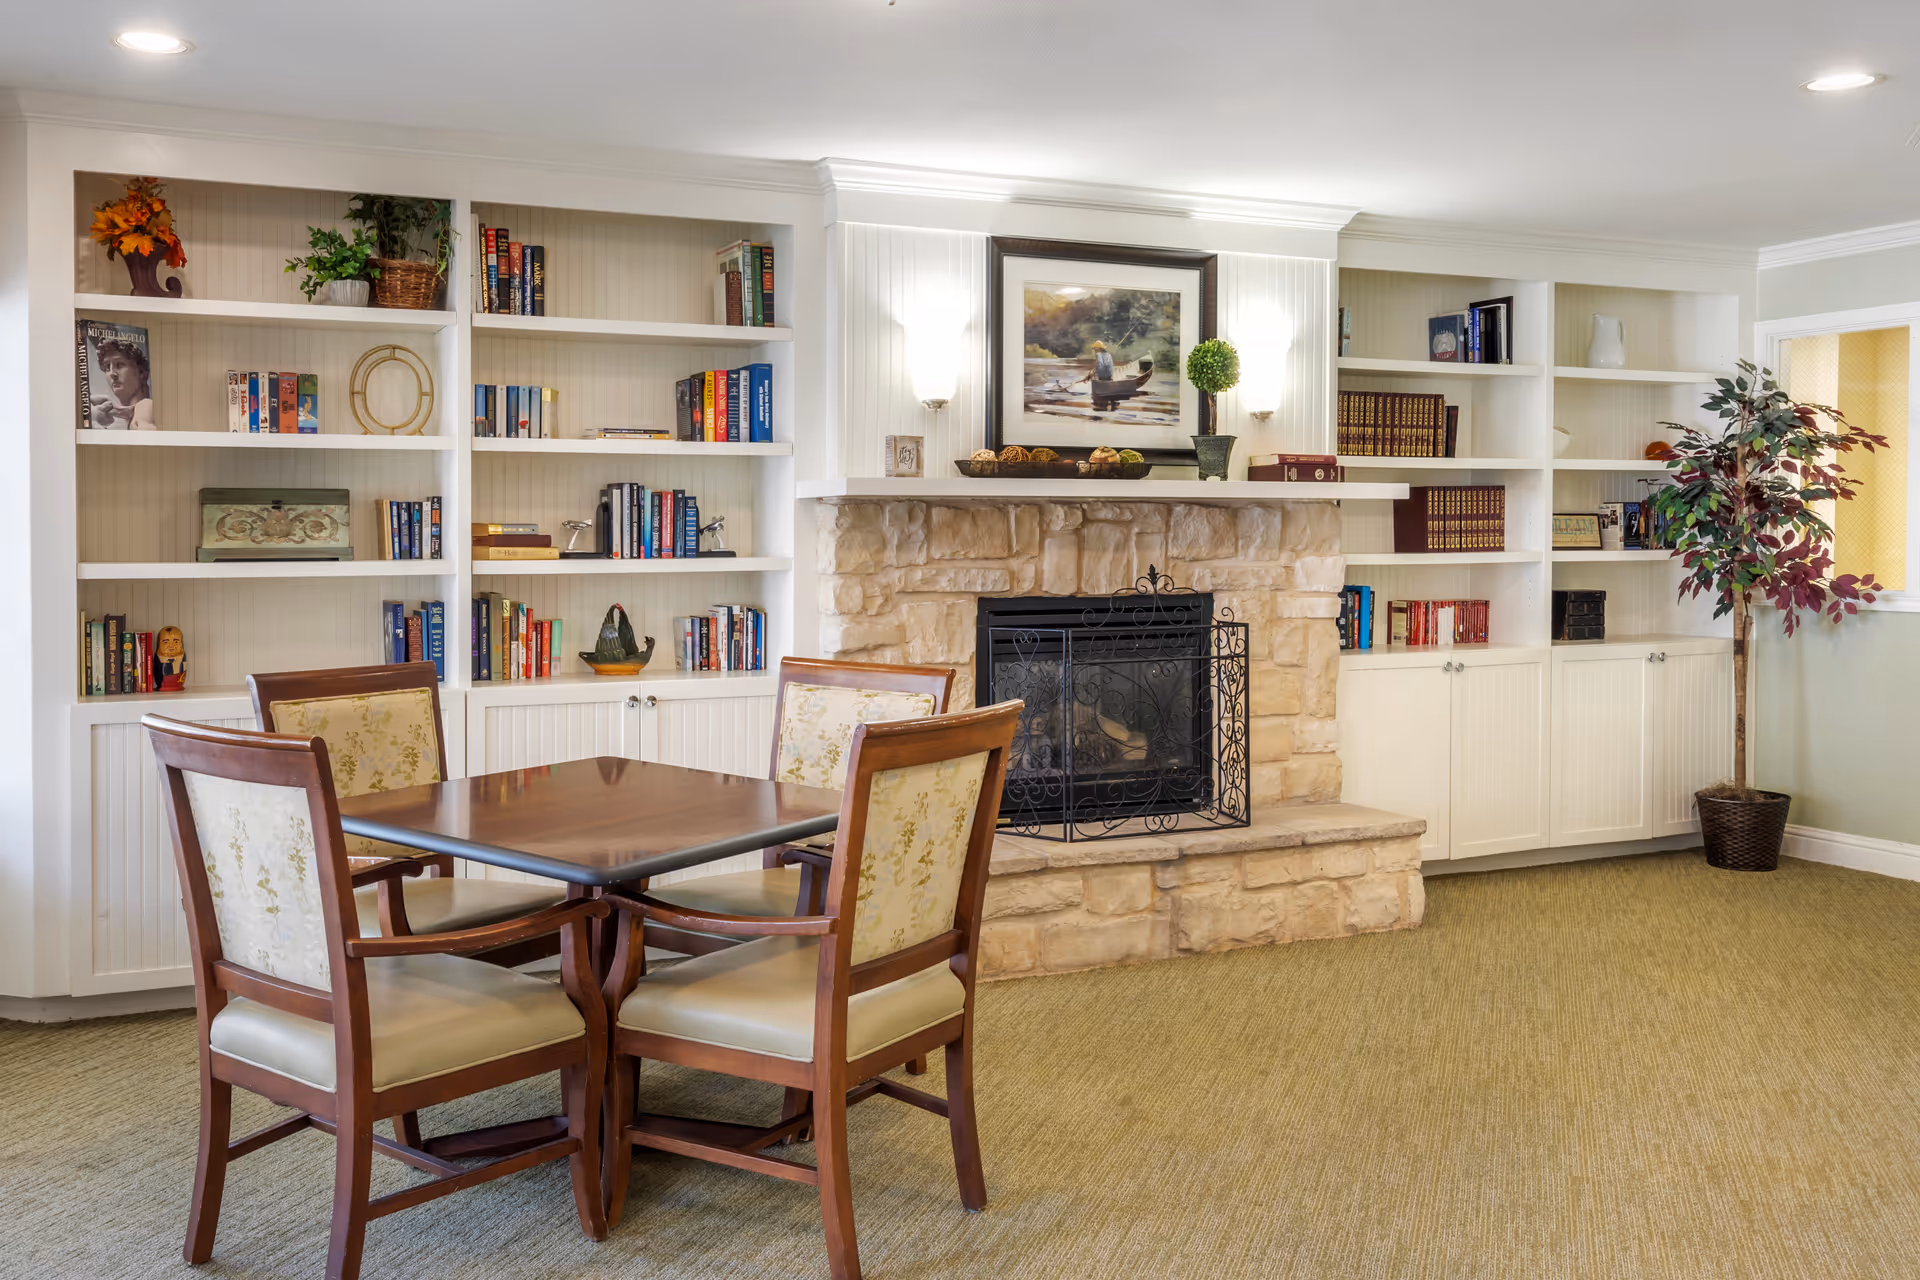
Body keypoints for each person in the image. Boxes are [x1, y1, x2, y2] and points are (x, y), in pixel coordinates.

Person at [90, 338, 155, 430]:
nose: (112, 373)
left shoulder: (146, 406)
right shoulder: (108, 416)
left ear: (141, 372)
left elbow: (148, 442)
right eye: (107, 367)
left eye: (120, 364)